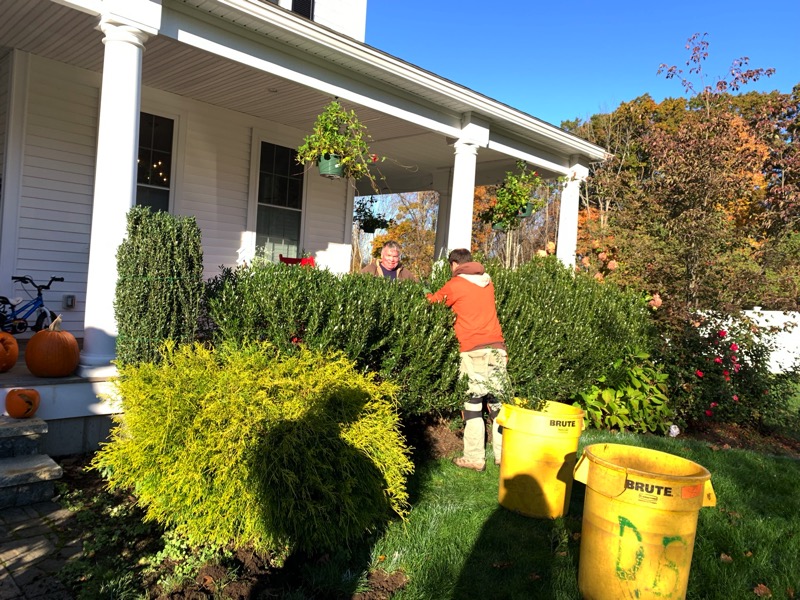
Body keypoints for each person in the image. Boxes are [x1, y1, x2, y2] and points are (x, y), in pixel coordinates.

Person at [426, 248, 509, 472]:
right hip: (497, 349)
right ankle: (504, 456)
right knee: (497, 406)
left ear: (454, 264)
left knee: (472, 404)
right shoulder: (487, 282)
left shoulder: (456, 284)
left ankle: (474, 458)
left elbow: (432, 302)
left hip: (473, 350)